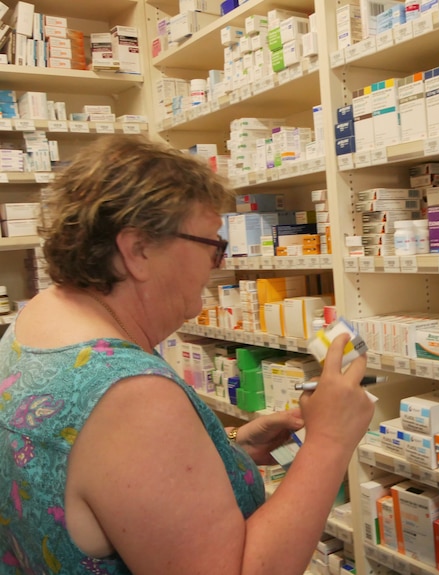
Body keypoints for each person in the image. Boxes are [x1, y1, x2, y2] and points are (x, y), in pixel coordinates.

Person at [0, 135, 375, 574]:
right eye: (212, 245)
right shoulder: (131, 395)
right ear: (137, 250)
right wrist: (329, 442)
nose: (218, 264)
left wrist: (230, 450)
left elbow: (99, 478)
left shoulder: (37, 320)